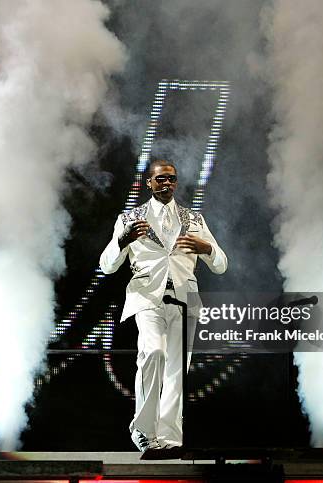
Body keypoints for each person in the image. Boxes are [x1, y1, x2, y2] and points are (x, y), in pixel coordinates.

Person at [99, 159, 228, 457]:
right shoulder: (131, 218)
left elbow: (221, 264)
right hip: (148, 298)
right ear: (149, 182)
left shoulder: (193, 219)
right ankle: (143, 431)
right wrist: (123, 240)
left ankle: (170, 438)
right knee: (153, 352)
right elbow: (107, 266)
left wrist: (206, 248)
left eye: (171, 178)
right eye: (160, 179)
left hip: (185, 299)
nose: (166, 183)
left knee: (177, 371)